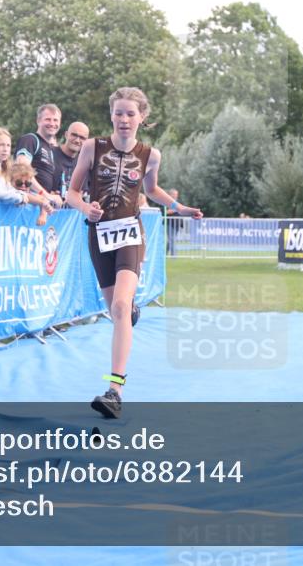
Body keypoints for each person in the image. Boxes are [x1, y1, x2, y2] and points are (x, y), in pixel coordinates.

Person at [67, 87, 202, 419]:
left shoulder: (150, 155)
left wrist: (179, 207)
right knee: (117, 312)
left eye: (131, 113)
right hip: (98, 236)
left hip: (130, 235)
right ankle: (129, 313)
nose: (124, 119)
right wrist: (87, 208)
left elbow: (151, 189)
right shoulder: (91, 147)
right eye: (118, 113)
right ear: (111, 115)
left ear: (142, 117)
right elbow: (71, 192)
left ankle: (115, 391)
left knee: (121, 305)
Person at [0, 127, 52, 209]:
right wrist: (19, 197)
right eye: (1, 145)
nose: (5, 149)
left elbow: (12, 191)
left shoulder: (4, 167)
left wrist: (41, 201)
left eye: (8, 145)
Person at [15, 104, 63, 207]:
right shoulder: (30, 139)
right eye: (48, 119)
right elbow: (22, 172)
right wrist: (45, 195)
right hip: (28, 205)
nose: (52, 123)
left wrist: (52, 194)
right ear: (38, 121)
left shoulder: (50, 148)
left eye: (55, 120)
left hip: (43, 207)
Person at [55, 121, 89, 201]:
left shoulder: (86, 163)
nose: (77, 140)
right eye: (74, 135)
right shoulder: (50, 154)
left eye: (82, 138)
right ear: (66, 135)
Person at [165, 188, 180, 256]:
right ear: (170, 195)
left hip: (177, 224)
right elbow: (165, 212)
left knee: (171, 240)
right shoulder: (166, 202)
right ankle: (174, 255)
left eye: (176, 194)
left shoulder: (177, 202)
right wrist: (176, 210)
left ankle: (164, 253)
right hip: (169, 223)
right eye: (174, 194)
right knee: (172, 239)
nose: (175, 195)